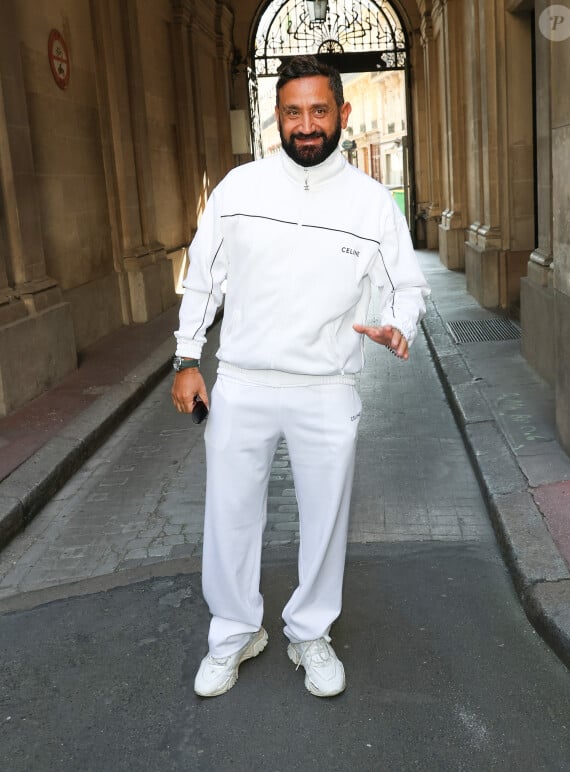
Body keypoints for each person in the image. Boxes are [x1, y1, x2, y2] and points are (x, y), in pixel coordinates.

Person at [171, 54, 430, 699]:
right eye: (293, 112)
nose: (306, 125)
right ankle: (233, 633)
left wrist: (399, 323)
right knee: (230, 517)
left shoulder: (371, 203)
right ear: (276, 118)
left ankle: (310, 632)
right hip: (242, 385)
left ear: (342, 114)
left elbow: (406, 285)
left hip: (326, 389)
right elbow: (204, 276)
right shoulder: (239, 191)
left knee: (325, 521)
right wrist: (185, 360)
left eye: (319, 111)